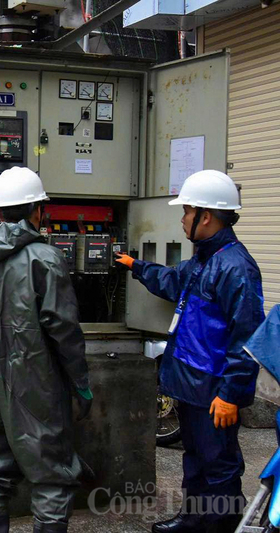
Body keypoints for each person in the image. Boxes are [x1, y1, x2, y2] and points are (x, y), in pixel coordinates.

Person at [115, 170, 264, 533]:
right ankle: (195, 519)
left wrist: (230, 394)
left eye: (186, 212)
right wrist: (137, 266)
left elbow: (247, 338)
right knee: (196, 459)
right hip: (192, 384)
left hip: (214, 390)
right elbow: (172, 280)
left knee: (218, 464)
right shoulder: (204, 261)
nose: (181, 219)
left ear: (206, 216)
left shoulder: (235, 268)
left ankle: (221, 523)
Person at [0, 167, 92, 533]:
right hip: (38, 383)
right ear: (37, 210)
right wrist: (80, 383)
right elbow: (64, 330)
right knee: (50, 470)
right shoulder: (45, 259)